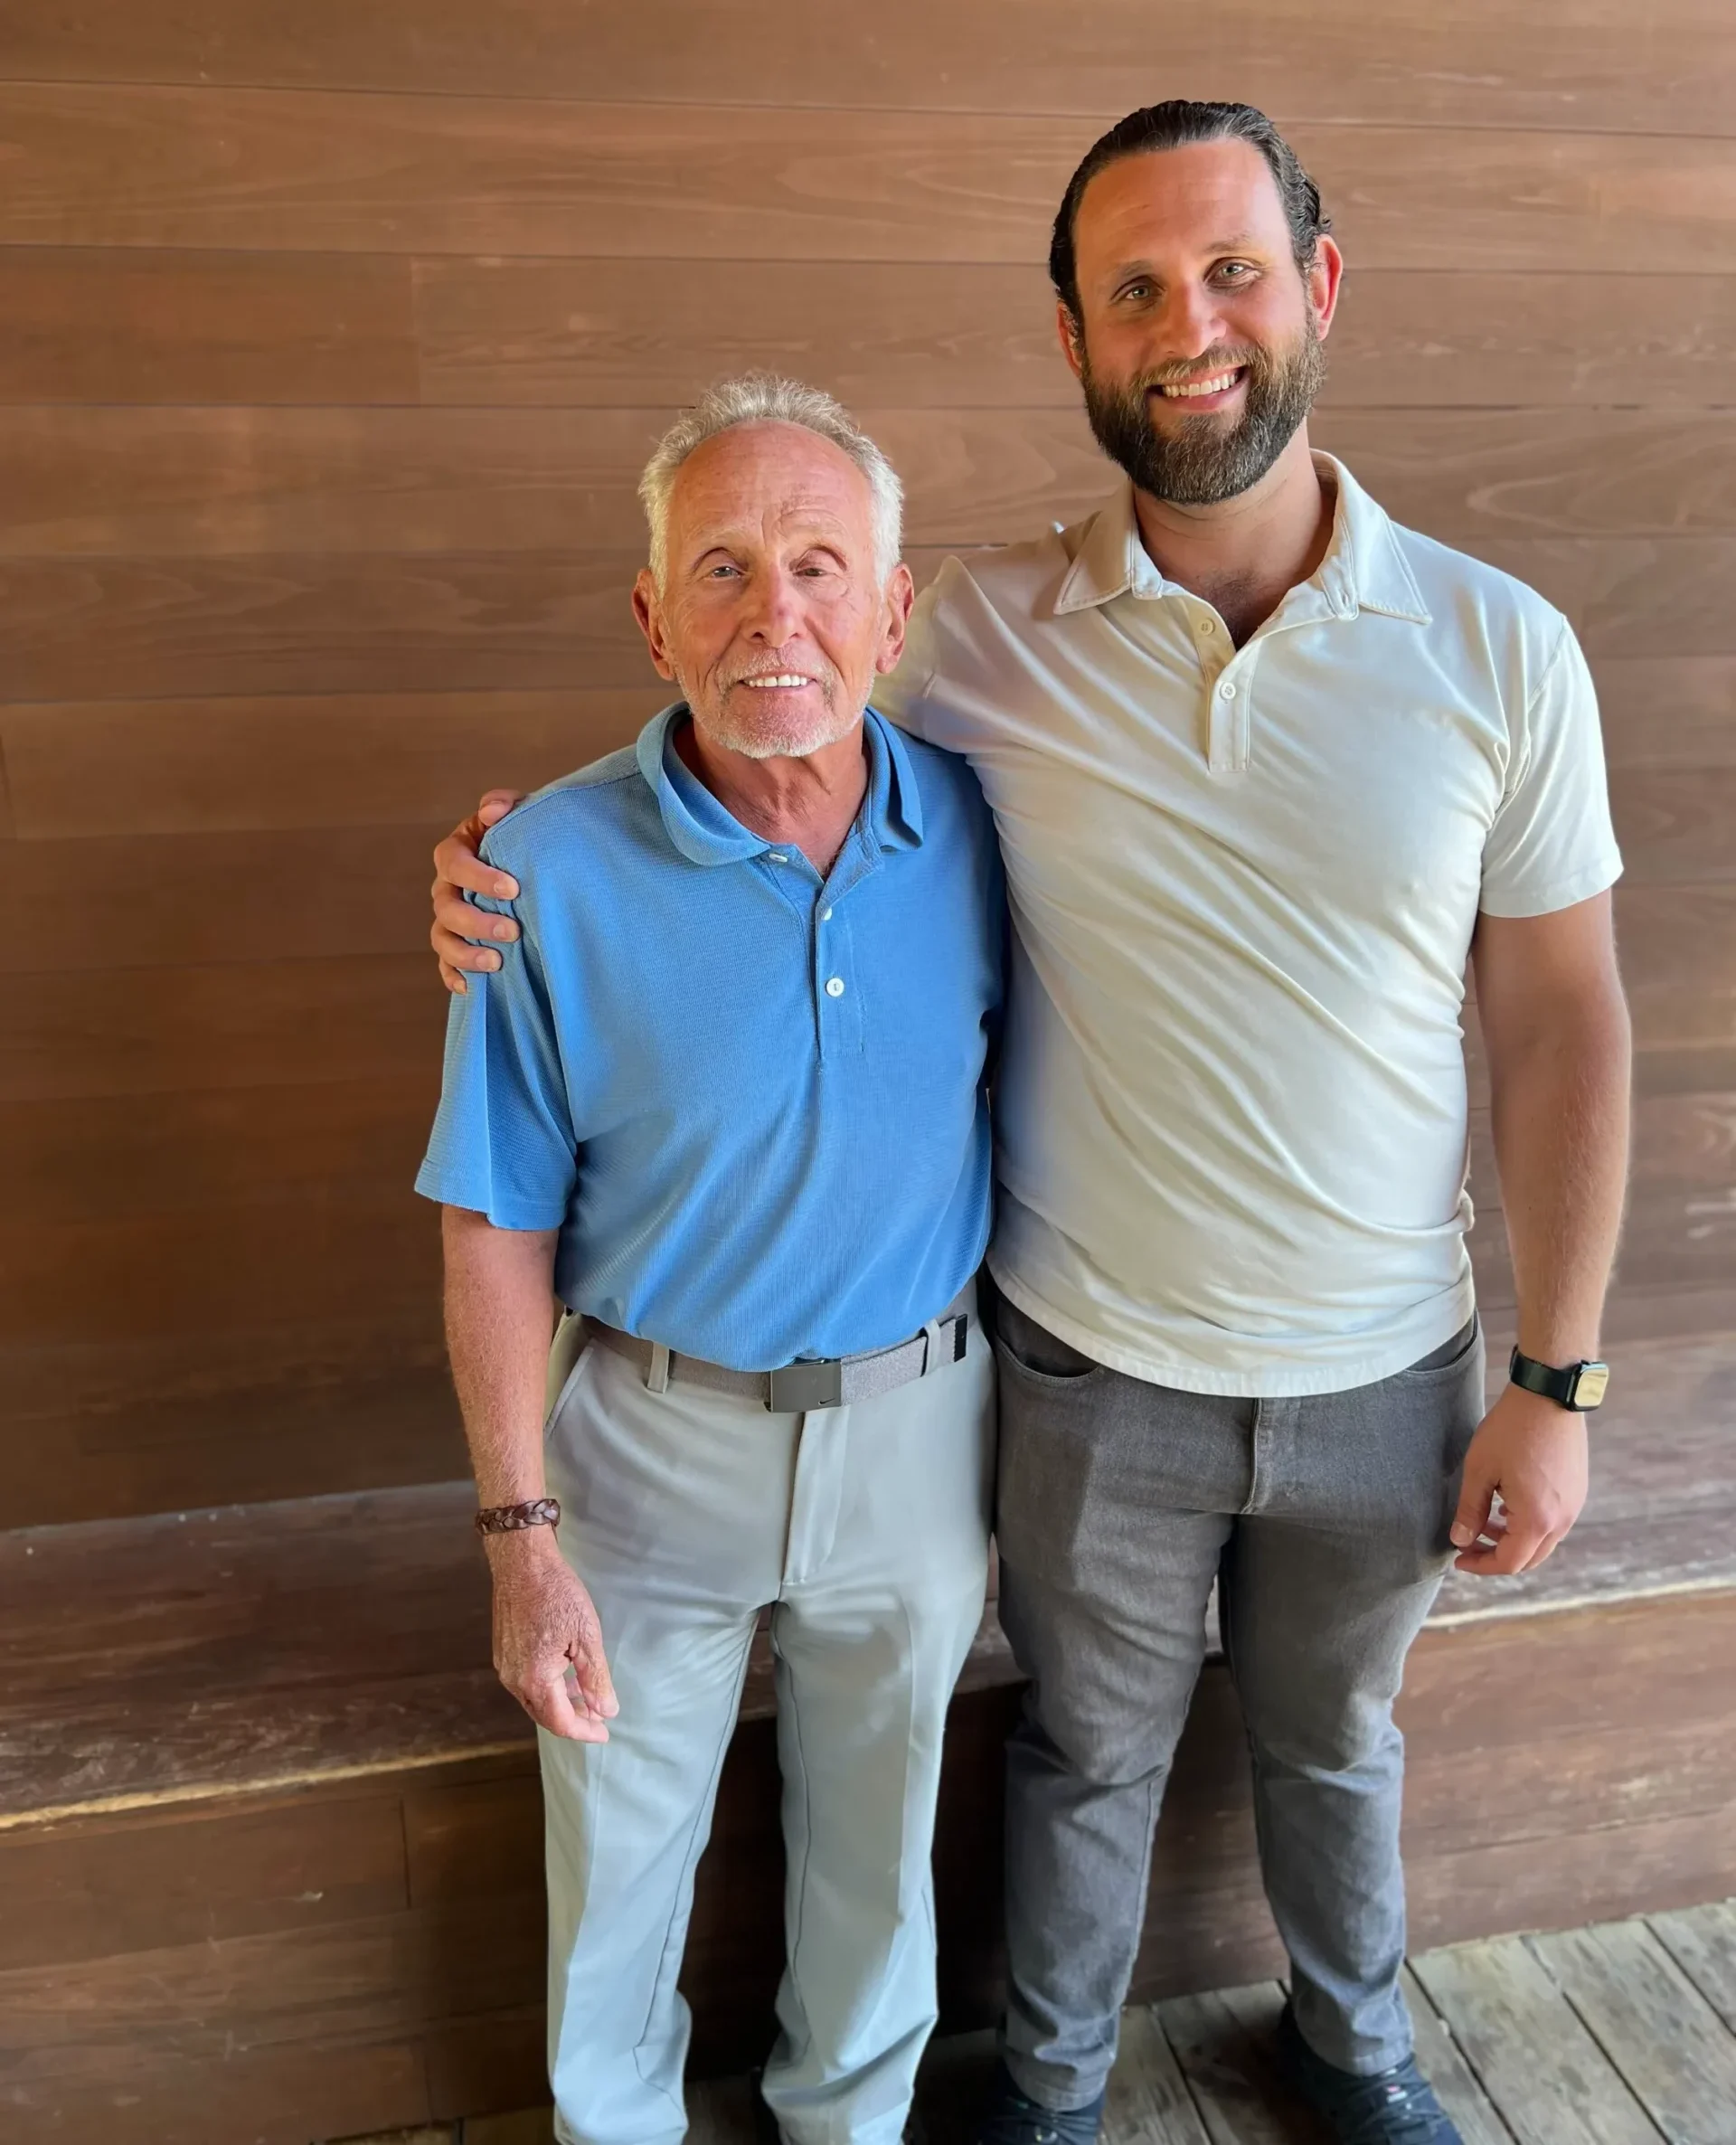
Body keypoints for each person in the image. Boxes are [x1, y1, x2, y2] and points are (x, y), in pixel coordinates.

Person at [428, 103, 1630, 2145]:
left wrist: (1561, 1370)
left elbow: (1565, 1017)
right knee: (1069, 1752)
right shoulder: (979, 636)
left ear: (1317, 289)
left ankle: (1351, 2054)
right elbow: (747, 711)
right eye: (1135, 288)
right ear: (1071, 335)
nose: (1192, 325)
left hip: (1322, 1366)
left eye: (1233, 271)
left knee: (1321, 1740)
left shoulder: (1493, 647)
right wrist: (496, 870)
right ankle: (1047, 2101)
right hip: (1058, 1370)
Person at [416, 373, 1005, 2145]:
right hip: (646, 1449)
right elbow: (492, 1219)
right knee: (615, 1875)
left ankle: (851, 2126)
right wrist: (519, 1537)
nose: (778, 617)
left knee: (876, 1862)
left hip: (922, 1433)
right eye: (726, 567)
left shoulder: (993, 824)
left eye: (823, 565)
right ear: (651, 613)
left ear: (895, 610)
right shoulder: (535, 875)